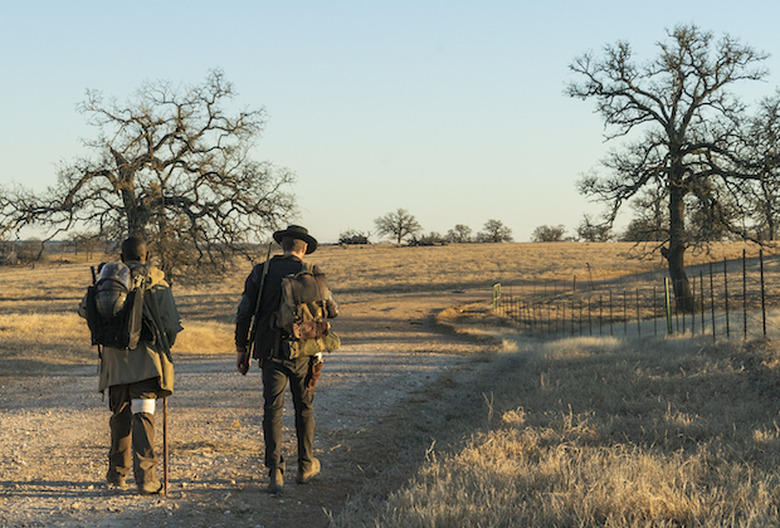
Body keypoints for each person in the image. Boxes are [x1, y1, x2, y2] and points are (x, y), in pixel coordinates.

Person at [235, 225, 338, 494]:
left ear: (283, 245)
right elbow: (333, 310)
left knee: (272, 410)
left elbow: (244, 312)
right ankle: (305, 466)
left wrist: (242, 348)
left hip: (270, 351)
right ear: (303, 249)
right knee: (304, 409)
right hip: (305, 352)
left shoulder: (261, 271)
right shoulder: (314, 274)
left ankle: (275, 473)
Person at [79, 236, 183, 495]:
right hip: (146, 364)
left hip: (114, 365)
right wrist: (164, 346)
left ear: (122, 257)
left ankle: (117, 474)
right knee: (143, 417)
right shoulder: (156, 280)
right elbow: (170, 324)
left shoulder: (107, 279)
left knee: (120, 418)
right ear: (146, 255)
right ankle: (147, 479)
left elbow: (85, 309)